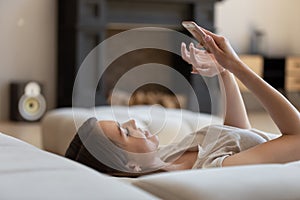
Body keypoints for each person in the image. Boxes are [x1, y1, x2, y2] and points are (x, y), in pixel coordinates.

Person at [65, 23, 300, 177]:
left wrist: (223, 72)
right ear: (131, 165)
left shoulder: (169, 155)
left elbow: (237, 134)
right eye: (125, 133)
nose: (134, 123)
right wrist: (237, 66)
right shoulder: (211, 171)